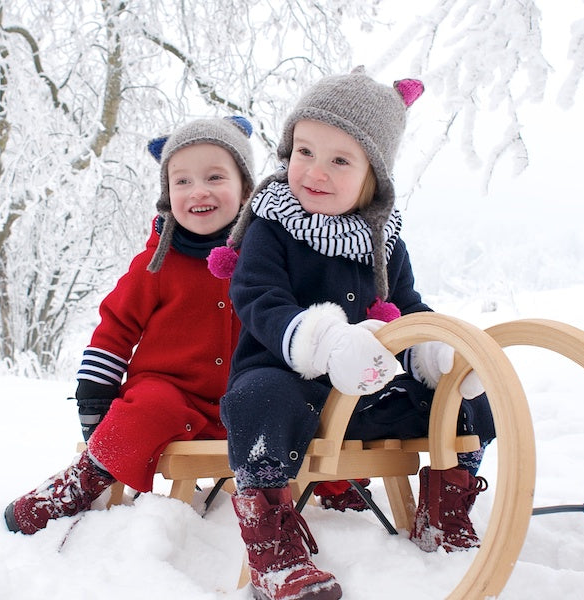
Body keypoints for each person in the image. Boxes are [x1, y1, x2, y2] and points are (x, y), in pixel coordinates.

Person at [208, 69, 494, 600]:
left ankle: (445, 511)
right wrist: (328, 341)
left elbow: (406, 307)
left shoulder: (383, 241)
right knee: (257, 399)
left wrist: (434, 352)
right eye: (304, 151)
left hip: (368, 396)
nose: (314, 171)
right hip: (291, 386)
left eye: (340, 160)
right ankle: (273, 549)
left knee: (469, 396)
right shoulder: (269, 228)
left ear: (373, 176)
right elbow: (260, 300)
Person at [4, 116, 255, 535]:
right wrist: (94, 394)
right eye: (182, 181)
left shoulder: (263, 263)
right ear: (167, 193)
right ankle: (86, 476)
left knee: (284, 402)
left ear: (246, 189)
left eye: (215, 177)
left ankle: (336, 483)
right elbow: (116, 327)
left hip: (242, 397)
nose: (198, 191)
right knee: (149, 406)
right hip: (169, 393)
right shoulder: (155, 264)